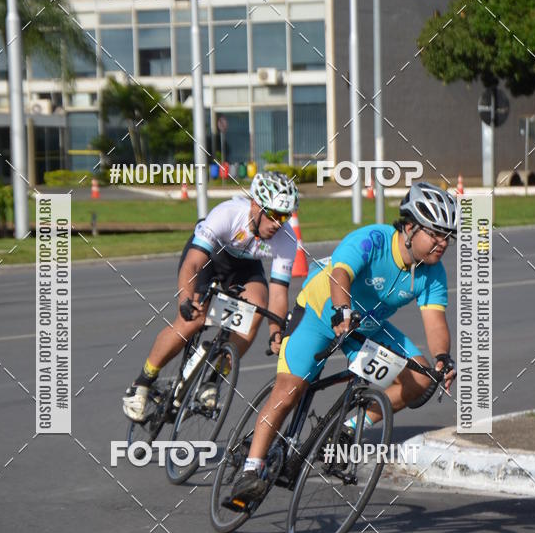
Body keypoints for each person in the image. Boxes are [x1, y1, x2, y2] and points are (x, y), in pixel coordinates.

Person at [228, 181, 458, 505]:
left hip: (369, 327)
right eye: (435, 234)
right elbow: (341, 274)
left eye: (448, 236)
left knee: (421, 377)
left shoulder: (433, 272)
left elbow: (435, 319)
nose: (443, 243)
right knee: (289, 389)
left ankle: (348, 428)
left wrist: (442, 357)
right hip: (321, 313)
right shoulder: (374, 239)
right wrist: (341, 310)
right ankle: (251, 470)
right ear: (409, 227)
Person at [123, 172, 298, 421]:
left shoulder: (286, 238)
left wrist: (275, 330)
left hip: (244, 268)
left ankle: (213, 380)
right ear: (255, 205)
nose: (278, 223)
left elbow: (279, 293)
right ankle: (142, 382)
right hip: (209, 259)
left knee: (257, 308)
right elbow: (193, 263)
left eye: (285, 216)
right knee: (192, 319)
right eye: (273, 214)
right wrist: (186, 299)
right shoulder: (227, 214)